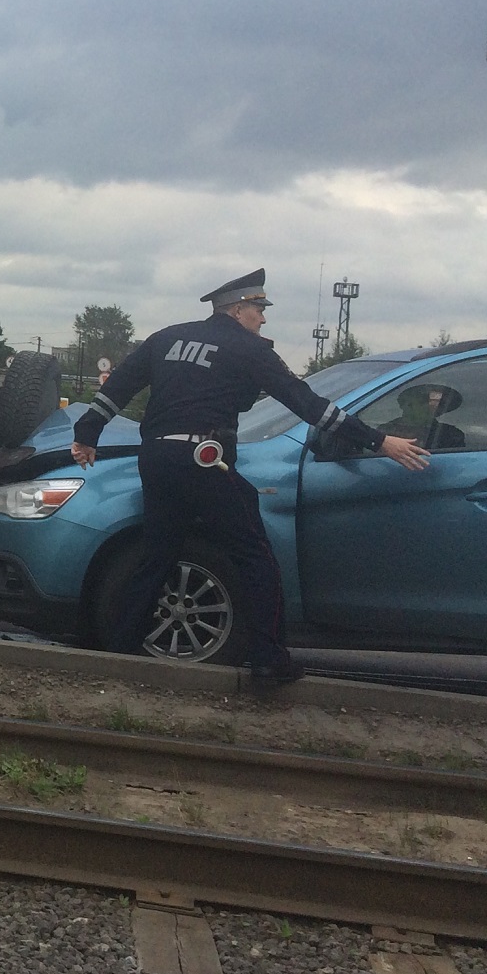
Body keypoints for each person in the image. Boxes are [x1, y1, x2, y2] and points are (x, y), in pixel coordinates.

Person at [69, 269, 431, 685]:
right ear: (238, 308)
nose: (263, 318)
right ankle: (267, 659)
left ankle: (120, 653)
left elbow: (117, 388)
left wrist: (85, 435)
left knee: (157, 554)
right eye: (259, 309)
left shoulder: (166, 337)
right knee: (256, 556)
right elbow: (308, 404)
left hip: (157, 457)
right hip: (205, 460)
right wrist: (379, 441)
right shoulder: (248, 348)